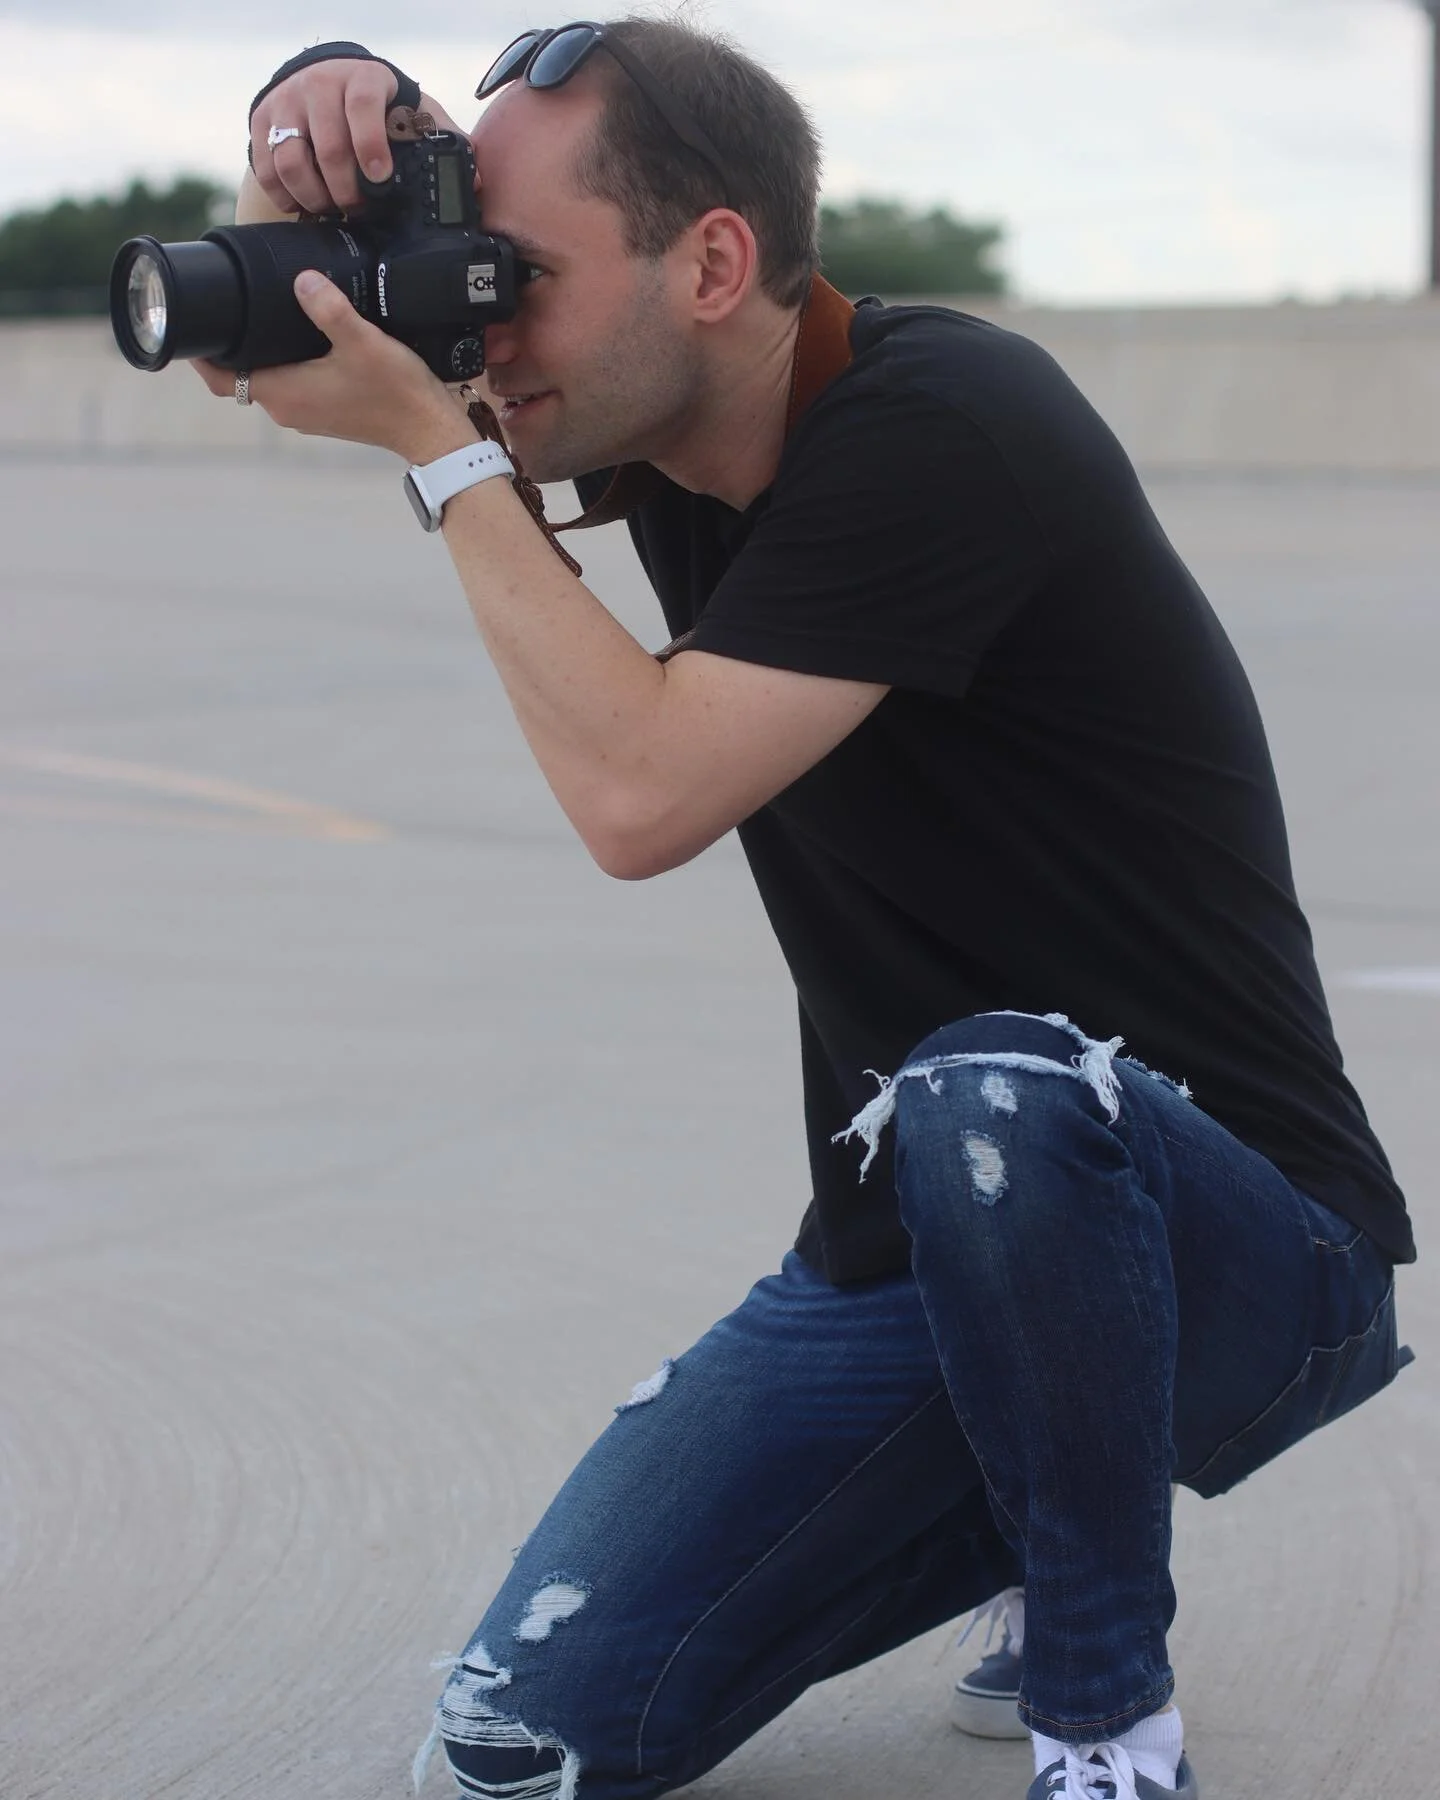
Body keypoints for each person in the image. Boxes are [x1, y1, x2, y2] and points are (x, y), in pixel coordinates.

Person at [205, 18, 1416, 1800]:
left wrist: (444, 458)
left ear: (713, 265)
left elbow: (640, 797)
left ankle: (1103, 1707)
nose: (475, 329)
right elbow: (267, 357)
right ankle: (1024, 1472)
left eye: (513, 276)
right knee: (516, 1745)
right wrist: (295, 139)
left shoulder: (949, 420)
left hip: (1233, 1239)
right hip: (914, 1244)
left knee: (995, 1089)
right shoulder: (667, 423)